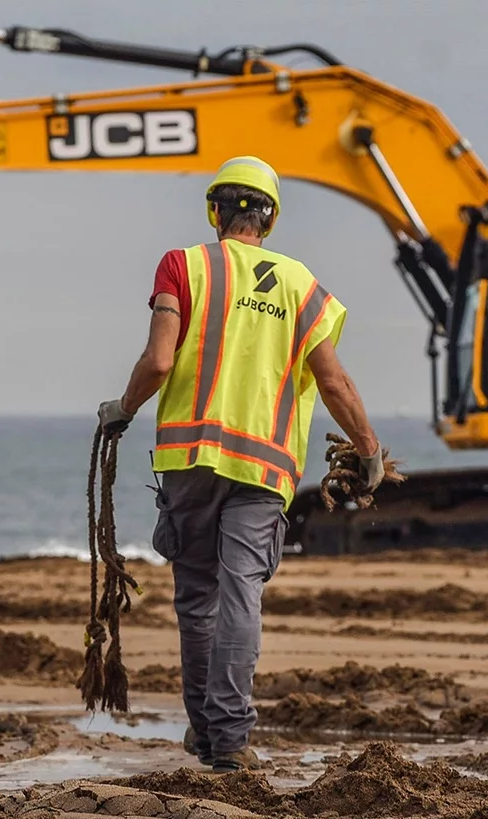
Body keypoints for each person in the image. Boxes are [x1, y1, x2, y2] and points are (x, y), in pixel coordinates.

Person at [98, 156, 383, 772]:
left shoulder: (183, 265)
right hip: (265, 469)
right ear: (270, 217)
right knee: (241, 595)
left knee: (197, 596)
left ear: (215, 211)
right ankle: (227, 739)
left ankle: (208, 734)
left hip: (188, 461)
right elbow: (333, 381)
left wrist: (120, 409)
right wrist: (368, 451)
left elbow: (157, 362)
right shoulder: (301, 285)